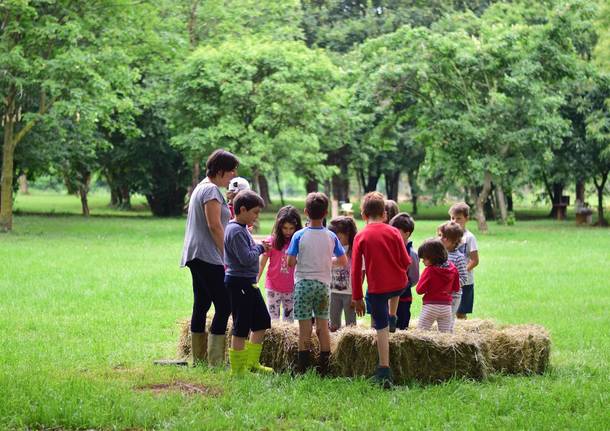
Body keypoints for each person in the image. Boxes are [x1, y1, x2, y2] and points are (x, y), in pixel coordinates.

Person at [180, 149, 239, 366]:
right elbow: (214, 226)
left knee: (202, 303)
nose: (234, 175)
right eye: (232, 170)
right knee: (224, 306)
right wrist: (227, 256)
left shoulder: (201, 187)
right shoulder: (211, 191)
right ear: (221, 170)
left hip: (196, 254)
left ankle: (200, 360)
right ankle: (214, 362)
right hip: (207, 256)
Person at [352, 192, 411, 387]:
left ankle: (384, 369)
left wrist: (357, 297)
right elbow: (406, 261)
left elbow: (355, 271)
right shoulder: (394, 232)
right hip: (399, 285)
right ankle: (392, 315)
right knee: (396, 288)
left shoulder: (361, 236)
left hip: (377, 289)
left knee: (381, 327)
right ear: (385, 214)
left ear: (363, 215)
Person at [287, 192, 347, 376]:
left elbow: (290, 262)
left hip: (303, 284)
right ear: (326, 212)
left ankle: (302, 368)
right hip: (323, 286)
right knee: (323, 326)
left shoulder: (299, 235)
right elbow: (343, 260)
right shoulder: (331, 236)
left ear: (306, 212)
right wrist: (329, 261)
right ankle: (325, 367)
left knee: (304, 329)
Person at [224, 190, 273, 375]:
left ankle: (252, 363)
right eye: (255, 212)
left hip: (249, 283)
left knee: (261, 320)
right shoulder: (235, 231)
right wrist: (260, 247)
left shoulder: (242, 229)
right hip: (239, 283)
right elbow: (246, 258)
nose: (257, 216)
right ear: (242, 210)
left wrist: (257, 245)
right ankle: (237, 370)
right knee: (241, 326)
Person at [258, 206, 303, 322]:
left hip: (292, 288)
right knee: (273, 321)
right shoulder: (271, 241)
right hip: (273, 287)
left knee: (289, 322)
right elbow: (262, 263)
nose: (288, 232)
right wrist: (256, 278)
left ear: (296, 227)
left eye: (291, 228)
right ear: (279, 226)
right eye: (284, 228)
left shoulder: (299, 242)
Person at [416, 238, 460, 333]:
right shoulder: (453, 268)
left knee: (420, 334)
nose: (422, 261)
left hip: (430, 307)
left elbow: (419, 290)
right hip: (447, 308)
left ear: (432, 257)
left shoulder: (429, 270)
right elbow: (456, 288)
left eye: (424, 258)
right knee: (445, 337)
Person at [389, 212, 419, 330]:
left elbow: (415, 277)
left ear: (407, 234)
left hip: (403, 297)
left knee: (402, 324)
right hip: (388, 296)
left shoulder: (412, 253)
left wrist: (404, 285)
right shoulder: (390, 249)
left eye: (396, 232)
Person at [448, 203, 479, 319]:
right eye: (452, 218)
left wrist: (461, 271)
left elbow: (475, 260)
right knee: (448, 311)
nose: (455, 221)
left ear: (466, 219)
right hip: (449, 281)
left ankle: (462, 334)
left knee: (461, 312)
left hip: (464, 282)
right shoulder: (447, 236)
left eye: (459, 218)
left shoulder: (469, 237)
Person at [328, 216, 358, 332]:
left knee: (351, 324)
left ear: (348, 234)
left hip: (350, 293)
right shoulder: (330, 248)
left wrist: (356, 294)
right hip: (333, 291)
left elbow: (361, 273)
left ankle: (350, 346)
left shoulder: (354, 250)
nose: (335, 241)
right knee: (333, 323)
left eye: (338, 238)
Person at [438, 221, 467, 329]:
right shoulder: (439, 255)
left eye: (445, 237)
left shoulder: (459, 257)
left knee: (448, 321)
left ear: (454, 241)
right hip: (440, 295)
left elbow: (464, 278)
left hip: (453, 296)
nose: (441, 239)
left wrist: (451, 286)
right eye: (440, 235)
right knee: (440, 320)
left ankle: (448, 339)